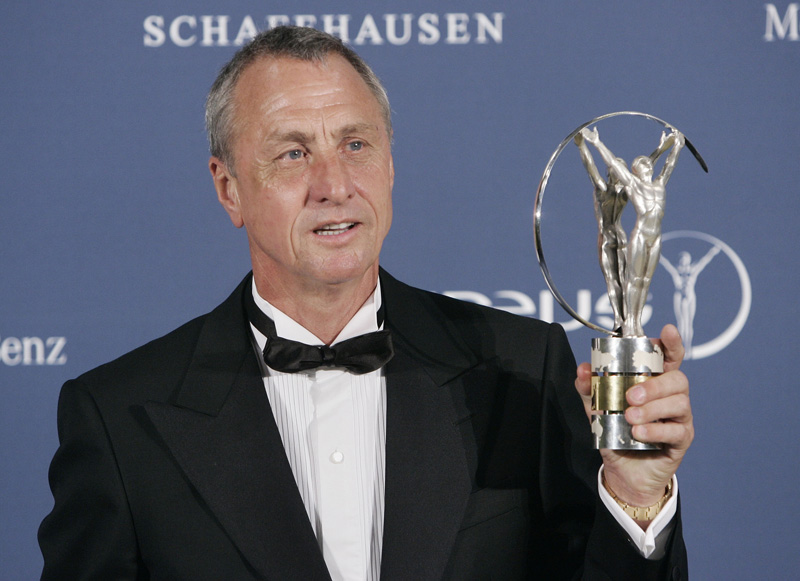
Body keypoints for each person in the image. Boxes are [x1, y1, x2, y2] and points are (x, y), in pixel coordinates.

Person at [39, 26, 694, 580]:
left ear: (389, 164)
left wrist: (636, 498)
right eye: (293, 152)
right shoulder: (120, 419)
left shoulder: (522, 367)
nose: (335, 184)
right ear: (229, 188)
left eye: (355, 145)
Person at [580, 127, 685, 337]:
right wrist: (594, 143)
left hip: (651, 239)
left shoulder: (658, 184)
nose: (647, 165)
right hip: (633, 237)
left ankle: (636, 322)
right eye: (642, 164)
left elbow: (667, 164)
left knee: (644, 282)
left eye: (647, 163)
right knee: (627, 281)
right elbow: (608, 165)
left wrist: (676, 145)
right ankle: (625, 322)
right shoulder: (627, 185)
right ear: (635, 171)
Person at [574, 132, 628, 333]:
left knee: (621, 280)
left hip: (613, 238)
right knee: (615, 280)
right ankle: (619, 320)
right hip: (611, 238)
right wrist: (582, 147)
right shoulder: (606, 190)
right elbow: (591, 168)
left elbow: (591, 168)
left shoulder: (619, 191)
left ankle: (624, 320)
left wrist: (582, 146)